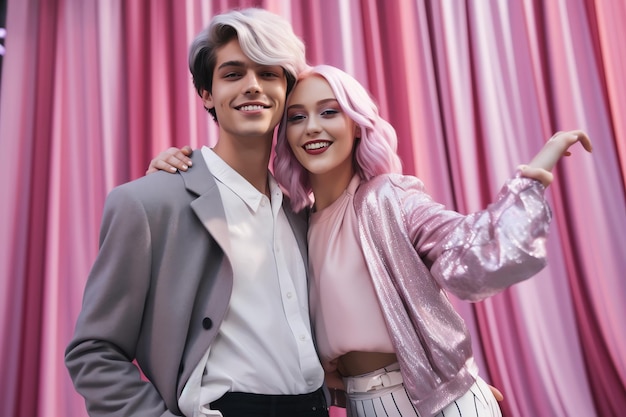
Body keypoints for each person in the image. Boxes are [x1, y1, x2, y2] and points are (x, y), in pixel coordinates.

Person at [150, 65, 592, 417]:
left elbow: (470, 249)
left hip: (440, 401)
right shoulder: (291, 221)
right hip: (365, 405)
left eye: (329, 111)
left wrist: (532, 178)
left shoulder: (390, 197)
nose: (312, 129)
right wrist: (176, 173)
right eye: (297, 117)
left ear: (357, 124)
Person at [65, 8, 329, 417]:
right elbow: (94, 351)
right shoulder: (148, 203)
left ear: (286, 92)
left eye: (269, 73)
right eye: (232, 73)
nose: (252, 86)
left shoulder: (302, 211)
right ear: (206, 93)